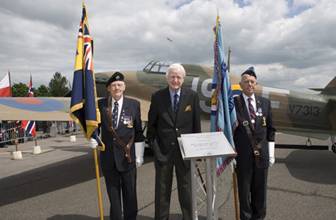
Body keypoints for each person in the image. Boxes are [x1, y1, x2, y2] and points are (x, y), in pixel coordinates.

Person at [147, 63, 201, 220]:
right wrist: (156, 149)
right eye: (172, 76)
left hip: (185, 153)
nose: (175, 80)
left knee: (187, 190)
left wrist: (195, 153)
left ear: (183, 79)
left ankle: (189, 217)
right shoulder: (157, 97)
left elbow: (196, 125)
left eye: (178, 77)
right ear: (167, 78)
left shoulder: (192, 96)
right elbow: (151, 127)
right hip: (164, 153)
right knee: (162, 191)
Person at [90, 72, 145, 220]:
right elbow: (95, 125)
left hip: (128, 158)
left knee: (130, 194)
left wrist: (139, 155)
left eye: (119, 85)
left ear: (124, 87)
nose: (116, 88)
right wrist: (93, 137)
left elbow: (138, 131)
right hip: (108, 158)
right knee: (113, 195)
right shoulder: (100, 104)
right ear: (108, 88)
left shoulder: (134, 104)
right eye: (113, 85)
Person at [233, 67, 276, 220]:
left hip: (262, 156)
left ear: (256, 84)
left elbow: (271, 129)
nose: (249, 84)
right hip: (242, 157)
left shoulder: (265, 103)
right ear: (240, 84)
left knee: (260, 193)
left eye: (252, 81)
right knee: (244, 194)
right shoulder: (233, 104)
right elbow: (228, 130)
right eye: (246, 82)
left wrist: (271, 152)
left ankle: (259, 218)